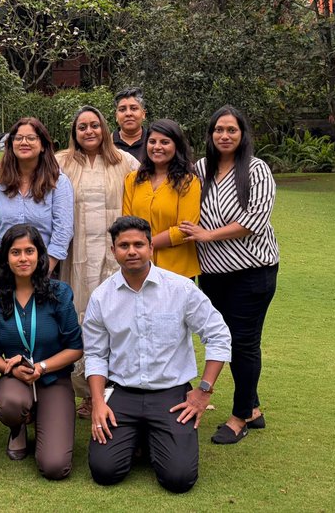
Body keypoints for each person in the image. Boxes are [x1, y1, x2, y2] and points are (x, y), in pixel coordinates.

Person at [83, 216, 231, 494]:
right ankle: (142, 436)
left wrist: (203, 392)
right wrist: (98, 402)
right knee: (105, 471)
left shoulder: (181, 289)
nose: (132, 251)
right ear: (113, 250)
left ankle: (153, 436)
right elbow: (94, 353)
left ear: (151, 247)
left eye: (139, 244)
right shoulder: (102, 296)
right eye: (123, 245)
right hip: (122, 394)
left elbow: (218, 335)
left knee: (179, 479)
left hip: (170, 395)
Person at [182, 105, 279, 446]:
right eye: (218, 130)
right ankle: (252, 406)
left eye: (231, 130)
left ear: (242, 135)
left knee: (243, 342)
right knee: (220, 338)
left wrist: (207, 235)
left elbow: (255, 219)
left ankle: (240, 416)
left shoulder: (256, 170)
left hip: (252, 272)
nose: (224, 136)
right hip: (213, 274)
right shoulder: (199, 170)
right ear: (209, 135)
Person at [0, 225, 84, 478]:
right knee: (11, 404)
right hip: (15, 378)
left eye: (29, 251)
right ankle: (18, 427)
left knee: (55, 466)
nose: (23, 258)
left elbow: (75, 348)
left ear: (40, 255)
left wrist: (43, 367)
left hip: (53, 378)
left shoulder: (59, 293)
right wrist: (8, 368)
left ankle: (43, 413)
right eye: (15, 252)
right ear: (5, 257)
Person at [56, 105, 138, 415]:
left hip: (113, 257)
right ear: (74, 133)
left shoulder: (124, 161)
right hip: (74, 258)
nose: (89, 131)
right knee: (80, 317)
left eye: (94, 125)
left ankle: (117, 390)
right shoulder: (61, 162)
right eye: (82, 127)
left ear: (104, 128)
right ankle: (87, 393)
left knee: (115, 320)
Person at [0, 117, 74, 276]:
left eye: (31, 138)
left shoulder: (58, 182)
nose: (24, 142)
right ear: (11, 144)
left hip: (43, 260)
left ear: (43, 145)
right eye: (18, 138)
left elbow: (63, 228)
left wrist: (47, 267)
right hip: (3, 262)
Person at [122, 119, 202, 278]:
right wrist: (140, 248)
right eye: (152, 141)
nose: (157, 147)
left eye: (165, 142)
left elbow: (185, 230)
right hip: (139, 268)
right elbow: (126, 221)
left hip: (178, 271)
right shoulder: (133, 180)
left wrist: (143, 244)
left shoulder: (188, 182)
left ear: (176, 146)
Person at [111, 88, 149, 163]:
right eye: (122, 109)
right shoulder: (107, 145)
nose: (128, 114)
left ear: (143, 114)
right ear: (116, 116)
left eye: (134, 108)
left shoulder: (152, 143)